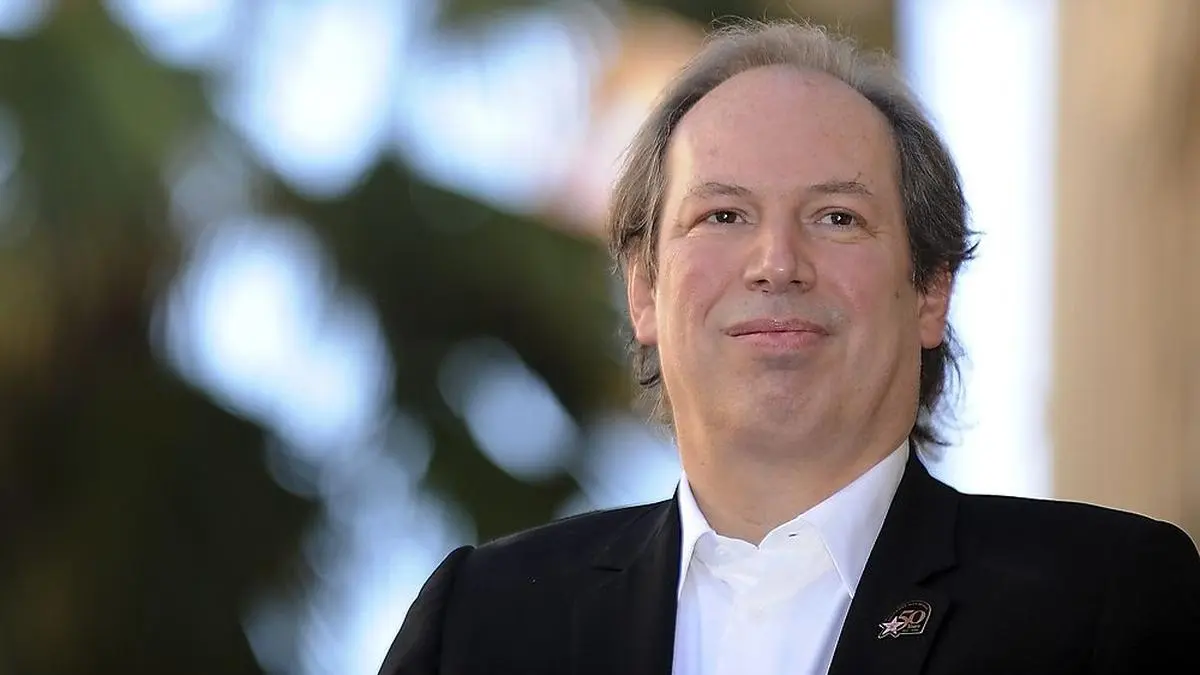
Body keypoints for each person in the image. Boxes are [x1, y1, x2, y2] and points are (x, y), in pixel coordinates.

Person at [378, 19, 1200, 675]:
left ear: (930, 290)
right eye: (723, 215)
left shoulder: (1105, 600)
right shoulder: (479, 624)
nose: (776, 263)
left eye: (837, 217)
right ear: (644, 291)